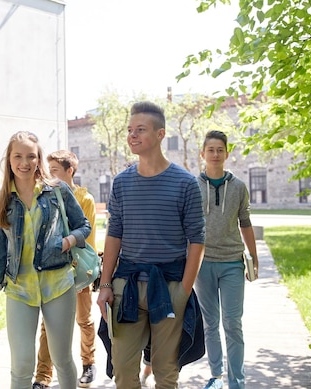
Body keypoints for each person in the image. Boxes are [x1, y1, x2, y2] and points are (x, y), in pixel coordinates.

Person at [96, 101, 206, 388]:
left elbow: (197, 239)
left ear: (160, 135)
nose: (132, 135)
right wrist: (105, 285)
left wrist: (183, 290)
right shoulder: (120, 183)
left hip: (169, 286)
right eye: (130, 130)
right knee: (122, 369)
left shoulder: (185, 183)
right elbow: (114, 234)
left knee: (165, 370)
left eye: (140, 130)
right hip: (126, 285)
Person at [0, 131, 92, 389]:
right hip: (20, 290)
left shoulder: (57, 190)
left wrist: (67, 241)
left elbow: (83, 226)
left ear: (38, 158)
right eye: (18, 156)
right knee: (22, 365)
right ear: (8, 160)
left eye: (31, 156)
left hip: (58, 285)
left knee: (62, 359)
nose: (25, 162)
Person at [195, 130, 259, 389]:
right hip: (203, 263)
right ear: (203, 154)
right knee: (211, 323)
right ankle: (216, 376)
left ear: (227, 154)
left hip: (232, 262)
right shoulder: (193, 185)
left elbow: (245, 223)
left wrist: (253, 257)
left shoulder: (239, 186)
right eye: (210, 149)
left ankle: (237, 381)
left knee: (233, 323)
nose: (215, 154)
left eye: (220, 149)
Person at [32, 150, 98, 389]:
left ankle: (88, 363)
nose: (49, 175)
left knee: (83, 320)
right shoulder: (45, 193)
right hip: (52, 269)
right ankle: (42, 375)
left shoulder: (84, 198)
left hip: (78, 268)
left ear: (70, 171)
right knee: (47, 324)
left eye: (55, 171)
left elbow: (87, 235)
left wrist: (86, 274)